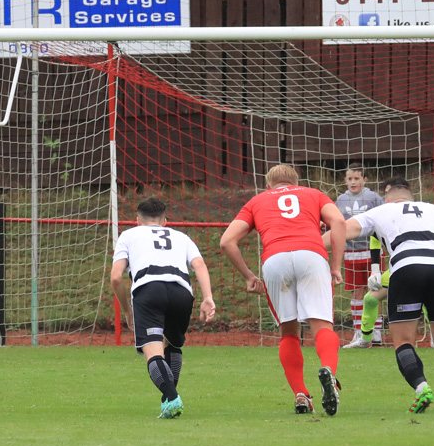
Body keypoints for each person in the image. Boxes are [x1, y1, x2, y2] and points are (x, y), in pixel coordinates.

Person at [334, 177, 434, 413]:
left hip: (406, 267)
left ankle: (422, 388)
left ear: (388, 199)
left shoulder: (380, 211)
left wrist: (311, 244)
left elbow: (341, 230)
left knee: (404, 342)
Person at [220, 164, 346, 416]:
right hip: (311, 254)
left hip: (275, 259)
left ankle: (301, 394)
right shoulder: (313, 194)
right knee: (322, 325)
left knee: (288, 332)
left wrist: (248, 276)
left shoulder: (257, 201)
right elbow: (339, 221)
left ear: (268, 185)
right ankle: (329, 372)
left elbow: (226, 241)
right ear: (296, 182)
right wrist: (335, 266)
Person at [111, 197, 217, 419]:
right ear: (165, 221)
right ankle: (168, 403)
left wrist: (127, 309)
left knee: (153, 351)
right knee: (172, 346)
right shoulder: (181, 237)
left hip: (149, 289)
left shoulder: (128, 235)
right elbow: (199, 264)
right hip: (181, 292)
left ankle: (172, 397)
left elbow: (116, 278)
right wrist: (208, 297)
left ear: (137, 220)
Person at [335, 163, 385, 345]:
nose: (353, 182)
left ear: (365, 179)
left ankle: (376, 331)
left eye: (357, 178)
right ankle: (359, 331)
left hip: (373, 253)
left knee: (375, 291)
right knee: (356, 293)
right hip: (351, 254)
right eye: (350, 179)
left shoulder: (374, 197)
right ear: (345, 180)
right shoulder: (340, 200)